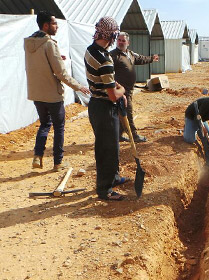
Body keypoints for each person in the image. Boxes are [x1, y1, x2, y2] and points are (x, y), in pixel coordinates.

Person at [25, 11, 91, 171]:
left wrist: (56, 58)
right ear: (46, 25)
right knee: (59, 127)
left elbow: (40, 64)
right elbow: (61, 74)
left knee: (44, 124)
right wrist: (79, 87)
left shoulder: (29, 43)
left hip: (36, 93)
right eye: (54, 23)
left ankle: (37, 156)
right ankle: (58, 162)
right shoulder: (49, 44)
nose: (57, 26)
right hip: (52, 95)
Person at [84, 16, 129, 201]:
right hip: (105, 108)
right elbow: (112, 94)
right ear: (111, 35)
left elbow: (108, 80)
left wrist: (117, 88)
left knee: (111, 147)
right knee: (106, 149)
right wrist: (123, 90)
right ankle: (105, 189)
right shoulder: (105, 59)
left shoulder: (91, 51)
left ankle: (114, 177)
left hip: (95, 105)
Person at [110, 32, 159, 143]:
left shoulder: (130, 54)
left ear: (128, 42)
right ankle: (134, 135)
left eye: (123, 41)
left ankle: (118, 135)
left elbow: (141, 59)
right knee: (128, 112)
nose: (121, 42)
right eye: (119, 40)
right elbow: (107, 72)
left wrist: (151, 59)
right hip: (121, 91)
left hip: (129, 90)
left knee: (122, 112)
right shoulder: (113, 55)